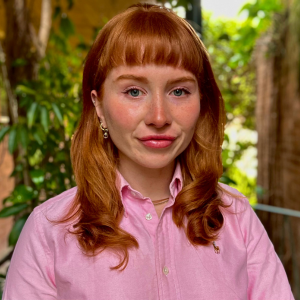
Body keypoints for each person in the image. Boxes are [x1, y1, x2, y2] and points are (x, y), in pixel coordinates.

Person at [2, 3, 294, 300]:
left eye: (179, 91)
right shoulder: (48, 232)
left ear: (202, 102)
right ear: (99, 106)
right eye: (133, 91)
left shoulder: (237, 218)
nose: (158, 116)